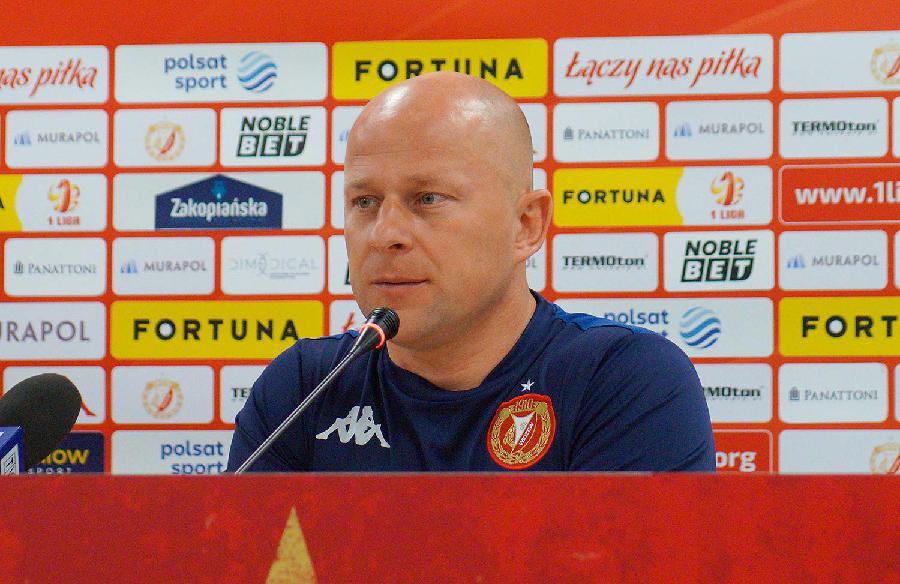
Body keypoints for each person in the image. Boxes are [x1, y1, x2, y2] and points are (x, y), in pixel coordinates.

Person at [227, 72, 715, 472]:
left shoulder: (621, 380)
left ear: (526, 225)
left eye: (428, 198)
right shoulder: (303, 388)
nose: (384, 233)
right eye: (365, 202)